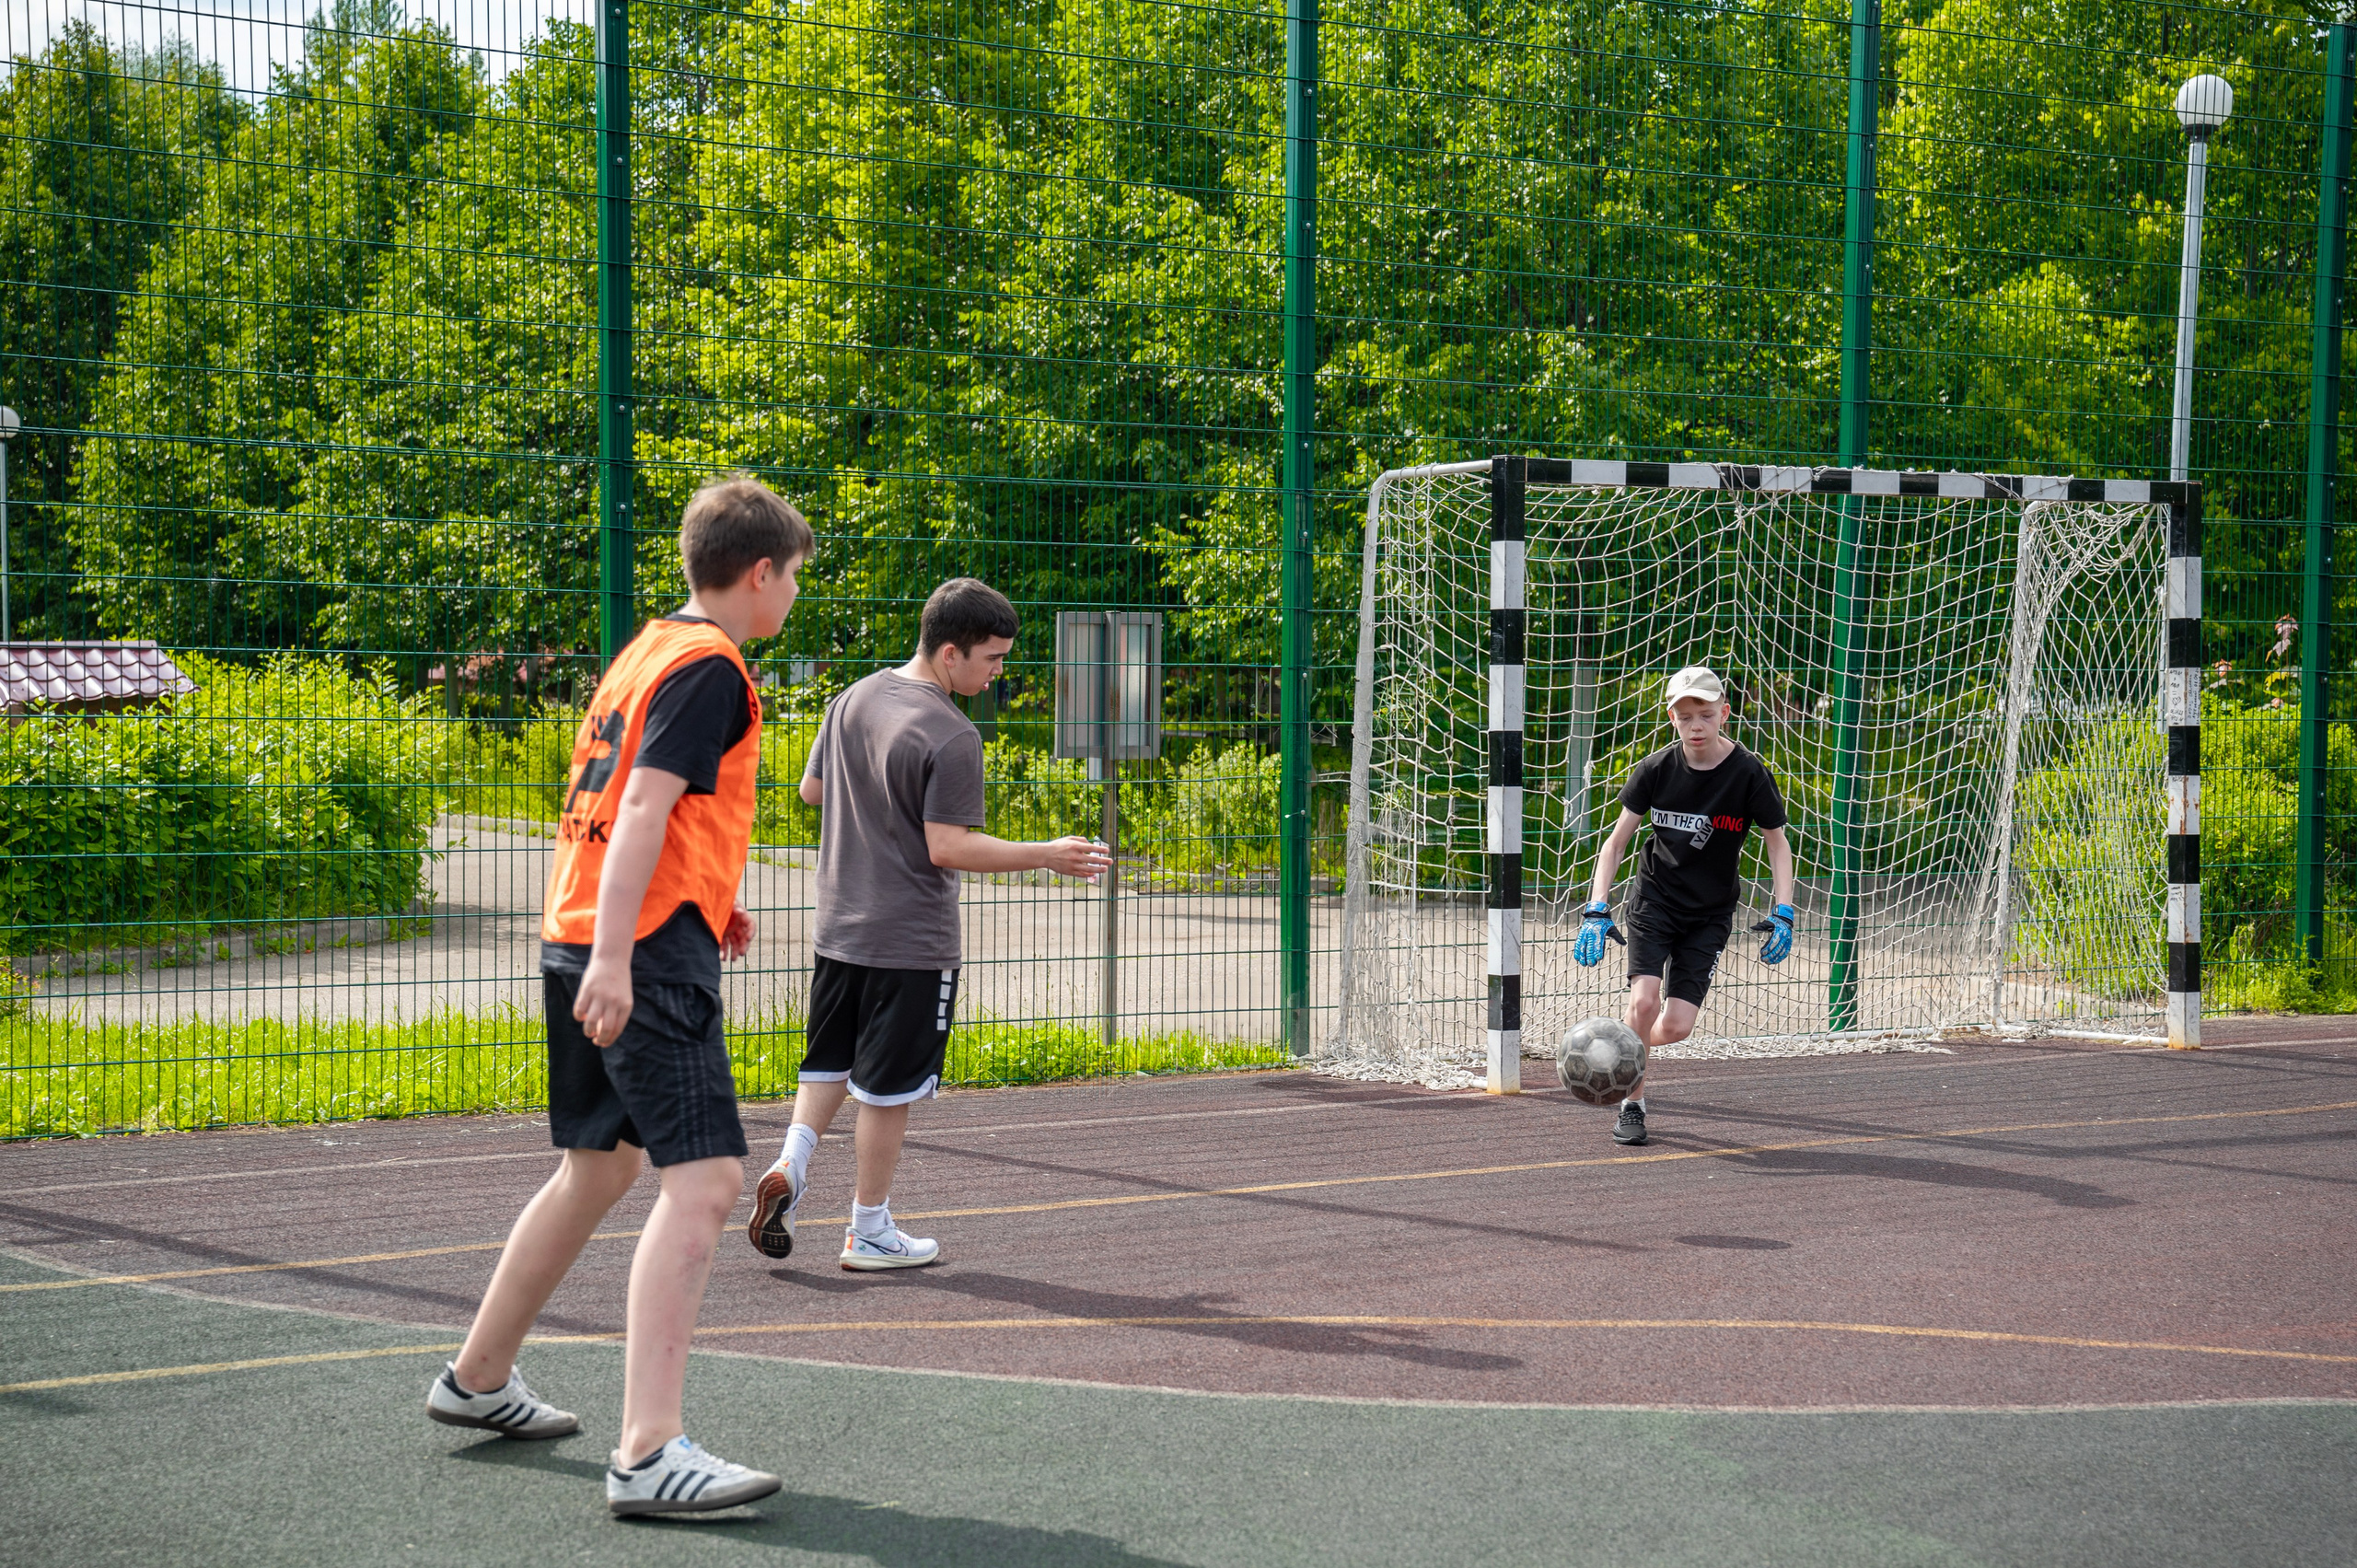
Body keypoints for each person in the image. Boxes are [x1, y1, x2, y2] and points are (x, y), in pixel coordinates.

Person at [426, 473, 810, 1517]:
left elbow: (630, 811)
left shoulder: (648, 648)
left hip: (593, 928)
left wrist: (698, 900)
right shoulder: (711, 666)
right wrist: (620, 953)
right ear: (760, 571)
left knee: (595, 1169)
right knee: (707, 1183)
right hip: (628, 950)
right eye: (793, 582)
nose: (792, 603)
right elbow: (640, 801)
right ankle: (649, 1450)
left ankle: (477, 1376)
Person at [747, 578, 1110, 1269]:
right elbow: (948, 846)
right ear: (951, 653)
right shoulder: (952, 732)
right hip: (911, 940)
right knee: (889, 1088)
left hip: (840, 928)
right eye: (993, 658)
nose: (999, 671)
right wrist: (1047, 854)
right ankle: (869, 1228)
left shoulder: (852, 697)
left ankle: (791, 1166)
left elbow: (812, 790)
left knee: (828, 1060)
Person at [1573, 666, 1795, 1146]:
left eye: (1706, 714)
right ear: (1672, 717)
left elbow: (1777, 844)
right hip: (1655, 902)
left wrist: (1785, 910)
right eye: (1685, 716)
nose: (1696, 725)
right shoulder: (1655, 769)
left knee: (1673, 1027)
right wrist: (1597, 906)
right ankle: (1633, 1104)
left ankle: (1612, 1049)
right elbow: (1615, 844)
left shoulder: (1749, 772)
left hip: (1710, 914)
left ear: (1724, 714)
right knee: (1644, 1001)